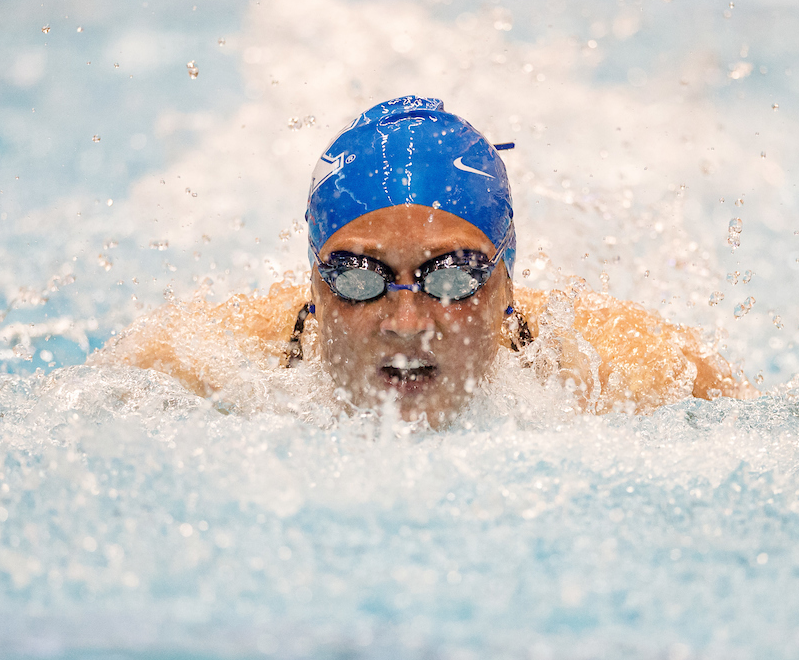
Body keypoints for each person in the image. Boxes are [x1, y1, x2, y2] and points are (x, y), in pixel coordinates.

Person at [92, 96, 750, 425]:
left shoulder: (629, 370)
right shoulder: (204, 364)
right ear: (314, 286)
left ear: (505, 287)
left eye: (454, 276)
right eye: (357, 277)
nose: (407, 322)